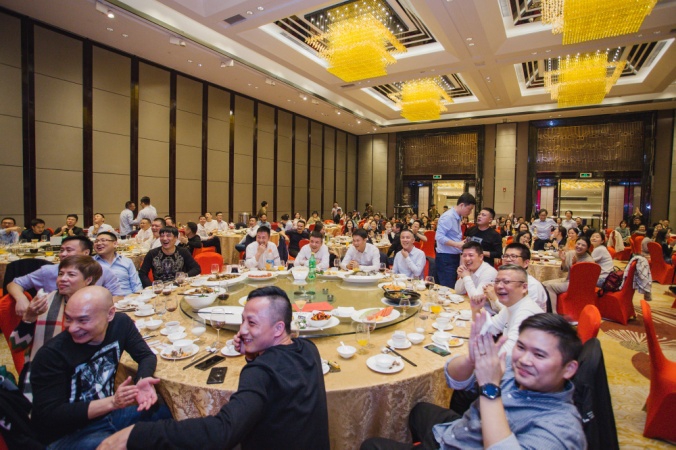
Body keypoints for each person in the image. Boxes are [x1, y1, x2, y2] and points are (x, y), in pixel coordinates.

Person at [98, 286, 329, 450]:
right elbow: (281, 386)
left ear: (278, 329)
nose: (242, 330)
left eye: (252, 323)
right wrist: (252, 355)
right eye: (243, 320)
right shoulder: (308, 349)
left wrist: (136, 435)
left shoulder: (260, 373)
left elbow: (222, 432)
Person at [360, 313, 585, 450]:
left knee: (371, 446)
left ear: (569, 368)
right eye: (521, 347)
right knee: (418, 410)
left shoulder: (562, 429)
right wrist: (470, 360)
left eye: (539, 355)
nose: (524, 360)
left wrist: (490, 388)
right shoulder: (514, 369)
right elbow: (455, 380)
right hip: (462, 429)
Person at [30, 286, 170, 448]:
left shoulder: (120, 324)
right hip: (66, 435)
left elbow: (146, 355)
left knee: (169, 418)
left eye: (83, 320)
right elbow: (50, 415)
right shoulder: (51, 355)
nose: (72, 328)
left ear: (110, 314)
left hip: (107, 417)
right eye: (68, 318)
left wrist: (143, 378)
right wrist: (112, 403)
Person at [10, 255, 102, 399]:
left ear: (88, 280)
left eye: (71, 275)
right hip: (46, 374)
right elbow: (16, 345)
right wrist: (29, 318)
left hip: (86, 376)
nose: (62, 279)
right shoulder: (43, 304)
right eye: (60, 274)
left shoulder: (99, 305)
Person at [8, 235, 124, 316]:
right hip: (53, 320)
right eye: (61, 250)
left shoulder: (102, 271)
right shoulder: (48, 271)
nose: (63, 254)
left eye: (69, 250)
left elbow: (118, 296)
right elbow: (15, 284)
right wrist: (21, 298)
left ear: (86, 253)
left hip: (91, 317)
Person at [542, 235, 594, 313]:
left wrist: (575, 265)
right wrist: (563, 261)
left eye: (583, 245)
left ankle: (554, 313)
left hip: (577, 284)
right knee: (544, 283)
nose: (579, 246)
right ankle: (546, 309)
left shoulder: (589, 261)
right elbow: (565, 269)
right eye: (578, 244)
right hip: (568, 280)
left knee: (550, 287)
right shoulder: (571, 253)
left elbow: (581, 279)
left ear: (587, 248)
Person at [436, 193, 476, 288]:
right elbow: (439, 237)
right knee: (447, 287)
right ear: (461, 205)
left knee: (450, 286)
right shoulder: (448, 217)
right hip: (446, 257)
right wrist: (457, 244)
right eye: (469, 209)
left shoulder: (457, 217)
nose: (470, 212)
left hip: (452, 256)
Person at [499, 243, 548, 312]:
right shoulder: (501, 280)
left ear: (526, 263)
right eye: (506, 256)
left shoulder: (532, 285)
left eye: (513, 256)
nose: (508, 259)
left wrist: (494, 299)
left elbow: (523, 314)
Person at [93, 232, 143, 296]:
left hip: (128, 298)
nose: (98, 243)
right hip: (103, 299)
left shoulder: (126, 261)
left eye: (103, 240)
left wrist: (138, 297)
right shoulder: (90, 263)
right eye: (96, 241)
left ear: (115, 244)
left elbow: (136, 285)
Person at [454, 241, 498, 314]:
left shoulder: (489, 272)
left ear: (481, 257)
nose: (467, 258)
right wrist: (462, 276)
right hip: (471, 309)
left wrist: (466, 277)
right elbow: (459, 291)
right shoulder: (469, 268)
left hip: (487, 314)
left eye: (471, 255)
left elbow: (476, 299)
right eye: (464, 255)